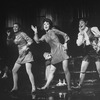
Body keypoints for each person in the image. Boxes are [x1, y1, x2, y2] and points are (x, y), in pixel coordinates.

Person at [31, 18, 71, 91]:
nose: (46, 25)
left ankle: (69, 87)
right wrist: (35, 32)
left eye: (47, 24)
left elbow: (65, 35)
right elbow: (37, 41)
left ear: (50, 25)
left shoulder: (53, 30)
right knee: (52, 71)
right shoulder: (44, 36)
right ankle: (45, 86)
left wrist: (65, 44)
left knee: (65, 69)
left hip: (61, 50)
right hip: (54, 53)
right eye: (44, 24)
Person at [7, 23, 36, 94]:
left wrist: (26, 46)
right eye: (14, 27)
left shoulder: (22, 33)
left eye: (16, 27)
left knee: (28, 70)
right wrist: (8, 37)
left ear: (19, 28)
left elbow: (31, 41)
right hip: (20, 55)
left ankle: (33, 87)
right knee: (14, 70)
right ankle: (15, 87)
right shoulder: (14, 36)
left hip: (27, 54)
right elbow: (9, 44)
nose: (15, 28)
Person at [75, 19, 100, 89]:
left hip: (96, 52)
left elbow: (99, 36)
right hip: (87, 53)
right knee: (82, 69)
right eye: (79, 23)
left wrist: (99, 46)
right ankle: (79, 85)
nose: (80, 24)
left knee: (99, 69)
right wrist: (81, 34)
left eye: (82, 23)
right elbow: (78, 44)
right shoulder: (80, 33)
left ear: (86, 23)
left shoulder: (92, 29)